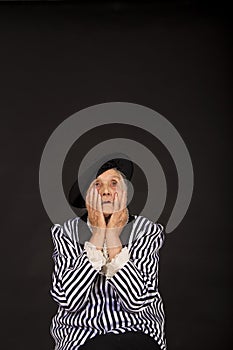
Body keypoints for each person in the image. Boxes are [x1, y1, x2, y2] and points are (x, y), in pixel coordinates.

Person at [49, 158, 167, 350]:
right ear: (87, 197)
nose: (105, 191)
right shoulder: (66, 232)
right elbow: (68, 300)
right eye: (97, 185)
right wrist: (97, 235)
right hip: (81, 337)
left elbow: (136, 300)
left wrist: (113, 239)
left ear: (125, 192)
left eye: (114, 183)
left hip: (136, 333)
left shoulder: (147, 231)